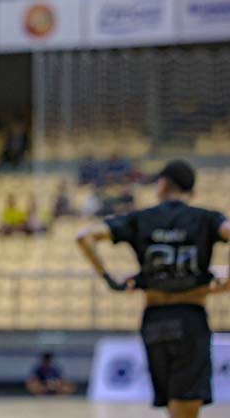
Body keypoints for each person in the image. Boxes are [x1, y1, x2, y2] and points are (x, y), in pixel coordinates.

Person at [76, 159, 230, 418]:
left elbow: (84, 237)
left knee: (171, 404)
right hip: (190, 316)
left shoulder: (141, 219)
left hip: (154, 320)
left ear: (162, 185)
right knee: (185, 408)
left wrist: (109, 278)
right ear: (190, 190)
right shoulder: (205, 218)